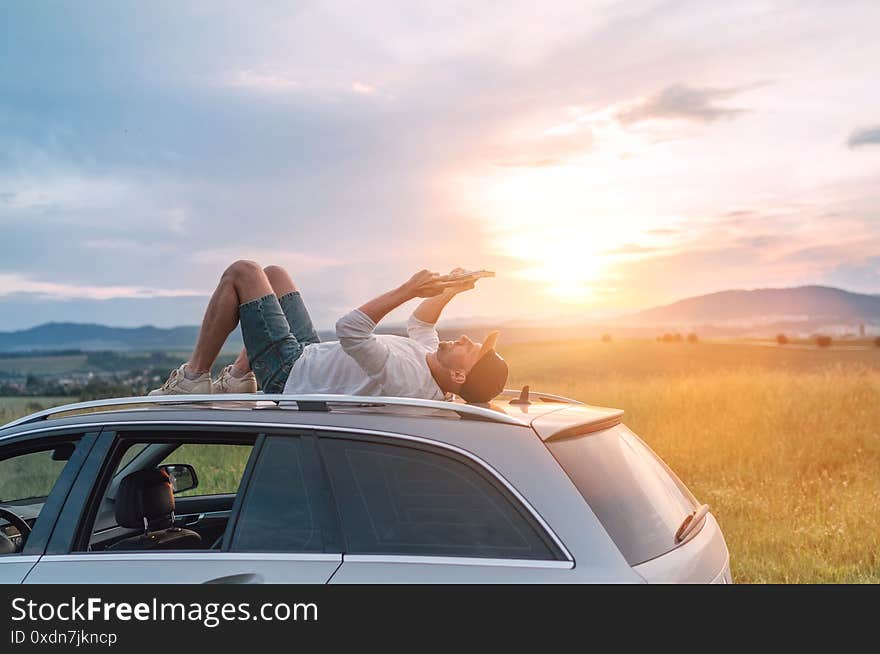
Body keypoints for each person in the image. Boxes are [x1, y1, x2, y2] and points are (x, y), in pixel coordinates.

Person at [149, 262, 509, 404]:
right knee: (274, 276)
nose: (464, 338)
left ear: (459, 374)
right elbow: (421, 326)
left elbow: (350, 330)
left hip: (291, 375)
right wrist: (451, 290)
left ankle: (194, 379)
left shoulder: (409, 379)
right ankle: (241, 377)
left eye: (471, 349)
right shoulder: (434, 366)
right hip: (309, 357)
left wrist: (408, 290)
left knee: (243, 273)